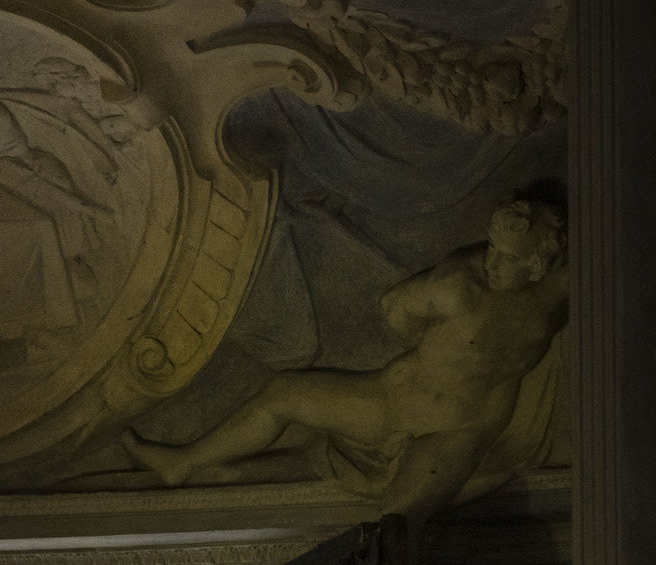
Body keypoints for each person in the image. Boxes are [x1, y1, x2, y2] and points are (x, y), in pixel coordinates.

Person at [120, 195, 568, 513]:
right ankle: (182, 464)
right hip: (393, 400)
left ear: (538, 265)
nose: (492, 263)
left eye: (508, 258)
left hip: (459, 432)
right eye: (492, 248)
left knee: (396, 521)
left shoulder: (555, 293)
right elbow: (396, 310)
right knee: (283, 392)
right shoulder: (458, 284)